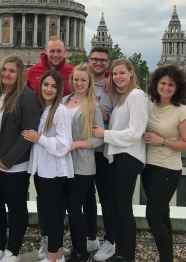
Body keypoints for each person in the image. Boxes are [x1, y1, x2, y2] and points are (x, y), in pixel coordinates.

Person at [0, 55, 40, 262]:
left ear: (20, 73)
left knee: (16, 208)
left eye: (12, 71)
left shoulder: (27, 96)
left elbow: (29, 132)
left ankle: (13, 250)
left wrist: (9, 159)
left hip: (12, 166)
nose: (7, 74)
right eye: (5, 69)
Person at [93, 59, 148, 262]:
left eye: (121, 73)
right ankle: (121, 252)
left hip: (128, 156)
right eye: (114, 74)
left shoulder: (136, 95)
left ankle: (128, 256)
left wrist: (104, 134)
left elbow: (135, 132)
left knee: (124, 208)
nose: (117, 77)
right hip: (119, 156)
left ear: (131, 73)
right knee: (118, 206)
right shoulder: (124, 97)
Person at [141, 65, 186, 262]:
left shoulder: (181, 111)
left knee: (153, 217)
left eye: (171, 84)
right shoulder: (148, 104)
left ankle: (165, 259)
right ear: (156, 84)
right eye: (162, 83)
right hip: (148, 167)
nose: (166, 87)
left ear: (177, 87)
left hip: (168, 169)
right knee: (163, 215)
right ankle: (168, 257)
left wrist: (161, 141)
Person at [26, 36, 73, 259]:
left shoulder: (60, 111)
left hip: (54, 170)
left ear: (59, 89)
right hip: (43, 170)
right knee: (47, 212)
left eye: (54, 86)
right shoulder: (43, 108)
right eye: (45, 84)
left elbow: (64, 145)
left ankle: (55, 256)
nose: (48, 88)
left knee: (53, 215)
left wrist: (39, 139)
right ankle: (56, 253)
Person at [63, 64, 104, 262]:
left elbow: (99, 138)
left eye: (83, 80)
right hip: (64, 163)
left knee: (73, 206)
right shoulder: (64, 101)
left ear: (89, 83)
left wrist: (76, 144)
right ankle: (77, 246)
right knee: (70, 206)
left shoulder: (93, 106)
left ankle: (81, 251)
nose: (79, 83)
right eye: (76, 79)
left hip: (83, 164)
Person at [87, 47, 116, 261]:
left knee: (107, 197)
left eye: (103, 60)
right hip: (83, 150)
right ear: (89, 60)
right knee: (86, 197)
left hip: (103, 151)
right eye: (95, 59)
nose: (98, 63)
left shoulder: (112, 87)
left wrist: (104, 114)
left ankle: (111, 240)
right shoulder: (79, 81)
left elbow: (121, 117)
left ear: (108, 63)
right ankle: (90, 237)